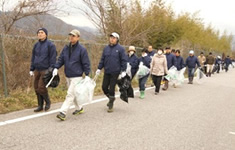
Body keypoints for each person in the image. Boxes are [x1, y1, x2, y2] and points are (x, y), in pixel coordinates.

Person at [53, 29, 91, 121]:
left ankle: (63, 112)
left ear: (78, 37)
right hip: (68, 75)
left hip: (77, 76)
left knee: (70, 94)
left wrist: (87, 74)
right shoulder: (66, 48)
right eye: (70, 35)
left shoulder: (82, 49)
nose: (71, 37)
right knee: (74, 94)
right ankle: (79, 108)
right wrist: (56, 67)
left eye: (73, 36)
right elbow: (61, 59)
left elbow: (86, 62)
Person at [96, 32, 127, 113]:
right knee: (104, 87)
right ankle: (111, 98)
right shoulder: (106, 48)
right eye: (111, 37)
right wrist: (99, 68)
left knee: (112, 87)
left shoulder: (120, 49)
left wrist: (123, 71)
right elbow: (102, 59)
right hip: (107, 71)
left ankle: (111, 104)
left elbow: (124, 60)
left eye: (114, 38)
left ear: (117, 39)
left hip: (115, 72)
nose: (112, 39)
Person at [29, 28, 57, 112]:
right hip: (37, 69)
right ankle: (40, 105)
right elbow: (33, 57)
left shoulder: (50, 45)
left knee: (41, 86)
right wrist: (31, 69)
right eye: (38, 33)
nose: (40, 34)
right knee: (36, 87)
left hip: (46, 69)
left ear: (46, 34)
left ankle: (47, 102)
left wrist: (52, 69)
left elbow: (53, 58)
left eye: (42, 32)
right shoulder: (36, 45)